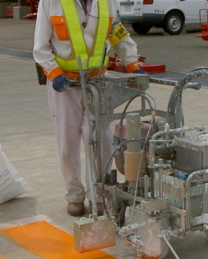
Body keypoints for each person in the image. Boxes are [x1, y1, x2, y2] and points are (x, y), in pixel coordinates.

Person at [33, 0, 145, 217]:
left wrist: (132, 64)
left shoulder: (107, 2)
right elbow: (40, 47)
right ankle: (75, 196)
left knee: (101, 140)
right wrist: (54, 73)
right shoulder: (51, 2)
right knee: (68, 142)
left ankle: (99, 193)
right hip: (65, 85)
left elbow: (117, 33)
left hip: (98, 83)